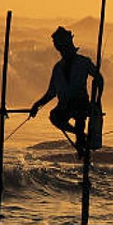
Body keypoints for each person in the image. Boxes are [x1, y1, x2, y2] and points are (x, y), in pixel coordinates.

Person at [29, 26, 104, 156]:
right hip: (64, 106)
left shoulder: (83, 62)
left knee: (79, 112)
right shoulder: (58, 68)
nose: (62, 50)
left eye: (64, 46)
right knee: (54, 116)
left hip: (81, 104)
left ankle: (81, 141)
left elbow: (99, 78)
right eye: (59, 47)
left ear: (69, 44)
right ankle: (79, 134)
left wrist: (97, 100)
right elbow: (51, 93)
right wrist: (37, 105)